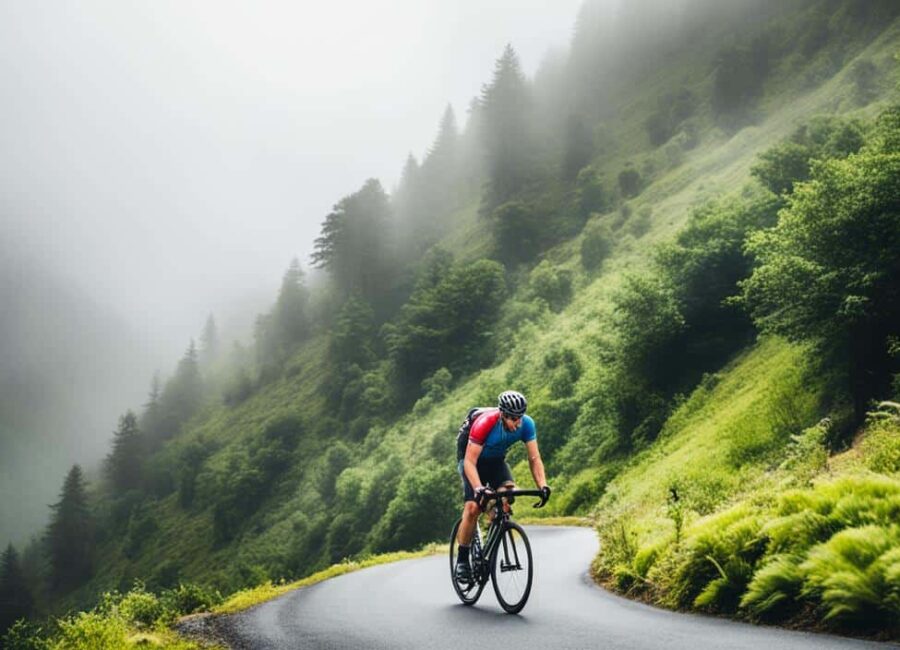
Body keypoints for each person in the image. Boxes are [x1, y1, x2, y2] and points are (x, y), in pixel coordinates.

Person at [454, 390, 551, 583]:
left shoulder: (527, 424)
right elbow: (469, 463)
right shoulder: (485, 424)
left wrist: (543, 485)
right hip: (471, 461)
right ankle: (463, 559)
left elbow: (534, 458)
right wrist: (478, 488)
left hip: (496, 462)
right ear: (502, 415)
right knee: (473, 507)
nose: (518, 423)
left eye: (520, 417)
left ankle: (494, 525)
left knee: (506, 494)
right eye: (514, 419)